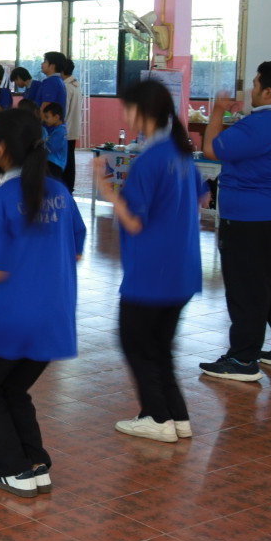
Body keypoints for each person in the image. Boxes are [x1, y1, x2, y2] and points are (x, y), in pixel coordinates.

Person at [0, 108, 85, 498]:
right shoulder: (60, 193)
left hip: (12, 316)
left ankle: (10, 468)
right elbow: (77, 248)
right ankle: (35, 462)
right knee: (12, 388)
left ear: (2, 148)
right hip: (56, 313)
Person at [93, 80, 203, 443]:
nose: (125, 114)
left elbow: (134, 221)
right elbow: (201, 199)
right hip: (182, 268)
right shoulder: (180, 153)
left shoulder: (150, 160)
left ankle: (157, 417)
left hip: (152, 271)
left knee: (135, 342)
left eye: (128, 108)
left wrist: (107, 190)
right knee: (159, 347)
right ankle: (177, 416)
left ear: (141, 112)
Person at [199, 61, 271, 381]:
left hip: (255, 217)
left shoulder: (261, 123)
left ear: (268, 91)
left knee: (248, 288)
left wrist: (218, 111)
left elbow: (211, 149)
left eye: (256, 83)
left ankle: (243, 359)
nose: (252, 89)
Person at [61, 57, 83, 191]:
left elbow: (64, 110)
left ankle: (66, 186)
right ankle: (69, 186)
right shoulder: (76, 85)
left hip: (65, 129)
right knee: (70, 159)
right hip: (73, 129)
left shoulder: (66, 87)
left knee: (66, 160)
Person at [40, 102, 68, 178]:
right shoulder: (58, 130)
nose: (44, 120)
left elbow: (50, 147)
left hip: (54, 164)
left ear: (56, 117)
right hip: (54, 163)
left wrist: (40, 143)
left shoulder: (60, 131)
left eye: (47, 117)